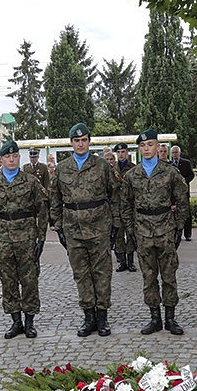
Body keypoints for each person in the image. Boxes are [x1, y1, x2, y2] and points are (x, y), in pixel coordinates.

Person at [50, 123, 120, 337]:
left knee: (102, 273)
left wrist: (116, 223)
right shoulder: (62, 168)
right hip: (73, 229)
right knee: (81, 274)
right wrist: (58, 225)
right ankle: (88, 316)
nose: (80, 144)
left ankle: (102, 317)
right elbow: (55, 199)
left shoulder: (102, 166)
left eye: (84, 140)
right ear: (71, 143)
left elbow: (115, 193)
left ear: (89, 141)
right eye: (76, 141)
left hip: (99, 228)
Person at [121, 128, 190, 336]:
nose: (146, 149)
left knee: (169, 275)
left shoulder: (170, 172)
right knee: (148, 276)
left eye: (150, 144)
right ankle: (154, 318)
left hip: (165, 229)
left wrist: (179, 227)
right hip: (142, 230)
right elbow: (125, 205)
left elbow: (182, 200)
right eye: (142, 146)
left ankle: (170, 318)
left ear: (158, 146)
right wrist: (130, 230)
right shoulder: (132, 175)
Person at [0, 140, 49, 339]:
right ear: (1, 160)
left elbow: (42, 210)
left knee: (29, 281)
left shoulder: (30, 181)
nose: (11, 159)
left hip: (27, 239)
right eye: (7, 157)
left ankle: (29, 322)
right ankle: (15, 322)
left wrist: (41, 239)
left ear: (19, 157)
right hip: (3, 239)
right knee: (8, 281)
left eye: (14, 156)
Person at [112, 142, 137, 273]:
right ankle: (122, 262)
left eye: (123, 152)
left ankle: (131, 261)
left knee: (131, 233)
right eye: (119, 152)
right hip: (116, 206)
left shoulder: (133, 168)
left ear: (127, 153)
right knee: (118, 235)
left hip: (129, 205)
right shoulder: (112, 169)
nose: (121, 155)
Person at [170, 145, 195, 241]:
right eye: (173, 152)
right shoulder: (169, 164)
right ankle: (176, 233)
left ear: (180, 153)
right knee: (174, 213)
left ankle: (188, 234)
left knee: (186, 213)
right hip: (173, 193)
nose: (175, 154)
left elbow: (191, 175)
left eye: (176, 152)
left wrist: (185, 180)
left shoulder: (186, 163)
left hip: (184, 192)